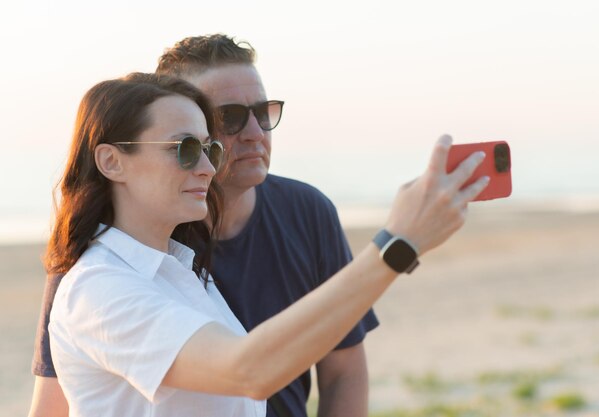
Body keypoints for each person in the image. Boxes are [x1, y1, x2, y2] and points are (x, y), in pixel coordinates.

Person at [28, 35, 489, 417]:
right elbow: (249, 370)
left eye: (210, 149)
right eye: (188, 146)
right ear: (112, 161)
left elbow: (330, 369)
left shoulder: (180, 266)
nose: (210, 165)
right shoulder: (99, 284)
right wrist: (395, 245)